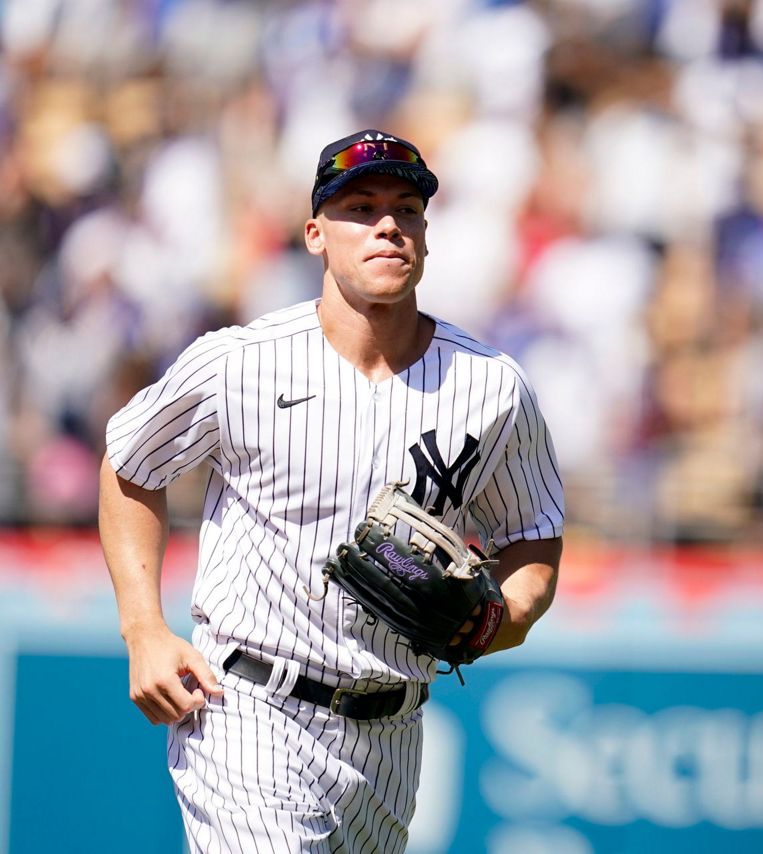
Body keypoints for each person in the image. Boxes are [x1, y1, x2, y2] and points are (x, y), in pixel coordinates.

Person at [97, 129, 565, 852]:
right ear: (316, 234)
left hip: (393, 735)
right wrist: (144, 631)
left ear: (425, 236)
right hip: (249, 707)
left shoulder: (492, 387)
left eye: (407, 209)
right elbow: (131, 464)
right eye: (360, 207)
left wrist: (508, 612)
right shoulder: (239, 364)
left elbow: (532, 532)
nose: (387, 224)